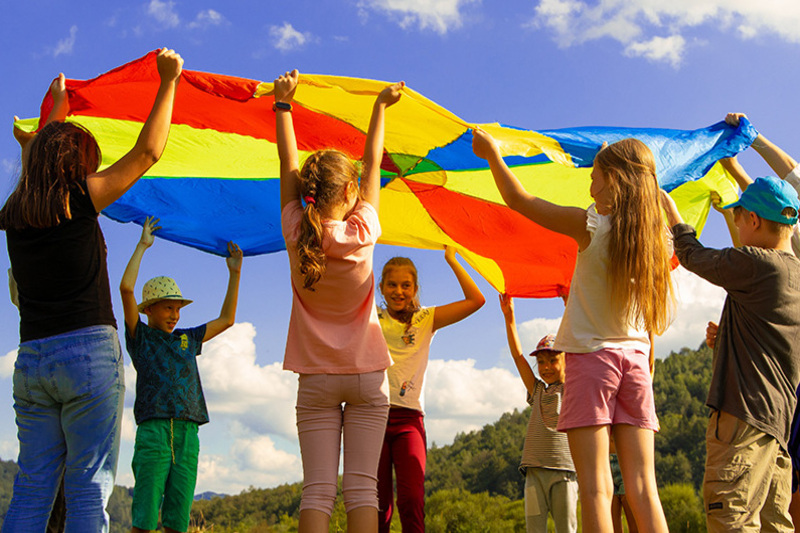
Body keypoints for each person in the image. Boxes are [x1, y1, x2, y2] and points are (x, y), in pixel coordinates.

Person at [0, 48, 182, 532]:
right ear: (76, 167)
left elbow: (37, 158)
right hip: (86, 358)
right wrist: (169, 81)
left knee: (33, 490)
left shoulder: (15, 213)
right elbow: (148, 152)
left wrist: (56, 106)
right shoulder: (79, 200)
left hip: (33, 361)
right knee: (87, 491)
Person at [473, 131, 673, 532]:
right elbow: (659, 204)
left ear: (615, 181)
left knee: (596, 486)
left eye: (596, 176)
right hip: (635, 364)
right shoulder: (659, 240)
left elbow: (521, 201)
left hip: (591, 360)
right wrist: (618, 165)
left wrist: (492, 155)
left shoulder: (592, 226)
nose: (589, 183)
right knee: (643, 486)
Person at [274, 68, 404, 533]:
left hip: (315, 380)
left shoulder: (295, 231)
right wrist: (379, 107)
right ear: (350, 193)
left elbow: (288, 168)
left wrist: (283, 105)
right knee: (363, 489)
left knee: (318, 490)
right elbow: (373, 167)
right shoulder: (363, 230)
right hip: (368, 377)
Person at [662, 176, 800, 532]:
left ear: (753, 220)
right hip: (776, 427)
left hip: (743, 419)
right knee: (774, 525)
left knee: (731, 519)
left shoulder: (760, 263)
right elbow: (774, 339)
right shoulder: (795, 274)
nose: (736, 225)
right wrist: (727, 338)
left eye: (738, 217)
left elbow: (693, 255)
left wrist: (671, 213)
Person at [706, 112, 800, 531]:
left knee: (752, 499)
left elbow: (782, 187)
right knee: (777, 490)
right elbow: (780, 188)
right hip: (783, 380)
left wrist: (751, 143)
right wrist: (741, 156)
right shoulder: (785, 244)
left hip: (772, 386)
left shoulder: (780, 258)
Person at [119, 216, 242, 533]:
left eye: (177, 308)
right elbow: (126, 288)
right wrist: (142, 245)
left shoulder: (187, 338)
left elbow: (227, 319)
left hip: (188, 434)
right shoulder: (141, 338)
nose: (174, 314)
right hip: (154, 432)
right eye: (167, 308)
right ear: (149, 309)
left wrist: (235, 272)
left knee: (178, 520)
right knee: (144, 519)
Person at [377, 251, 485, 532]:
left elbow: (477, 300)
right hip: (371, 417)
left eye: (405, 285)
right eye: (392, 285)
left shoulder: (425, 319)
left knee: (412, 499)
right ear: (381, 288)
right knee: (378, 505)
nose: (398, 291)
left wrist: (452, 259)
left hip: (409, 420)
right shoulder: (372, 315)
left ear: (415, 289)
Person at [499, 294, 577, 533]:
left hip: (564, 471)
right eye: (541, 362)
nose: (545, 367)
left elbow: (579, 342)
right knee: (535, 529)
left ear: (567, 360)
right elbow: (518, 356)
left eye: (553, 360)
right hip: (533, 472)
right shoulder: (537, 390)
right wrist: (509, 318)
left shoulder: (573, 389)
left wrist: (570, 305)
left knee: (566, 528)